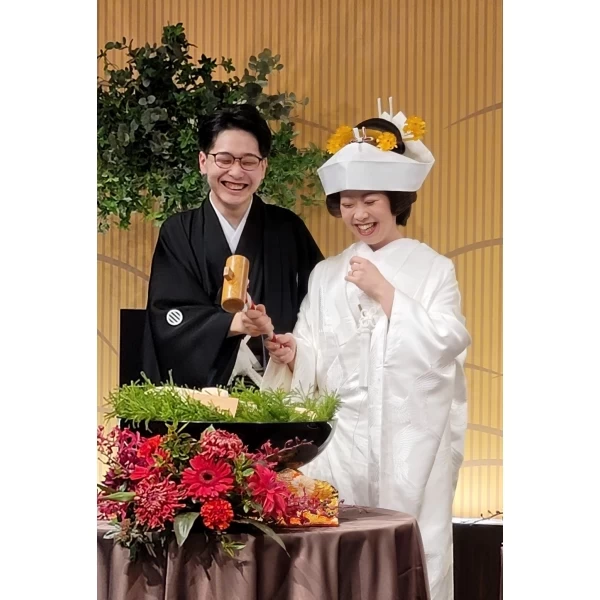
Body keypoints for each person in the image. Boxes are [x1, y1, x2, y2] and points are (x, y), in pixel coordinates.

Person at [261, 98, 471, 600]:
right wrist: (294, 352)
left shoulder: (433, 268)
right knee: (338, 553)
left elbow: (448, 342)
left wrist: (386, 293)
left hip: (409, 438)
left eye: (370, 200)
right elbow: (314, 345)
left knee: (412, 553)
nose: (358, 214)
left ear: (395, 200)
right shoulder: (326, 272)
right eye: (348, 202)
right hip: (343, 439)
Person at [142, 104, 323, 389]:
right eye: (224, 159)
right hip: (203, 397)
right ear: (203, 162)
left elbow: (318, 305)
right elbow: (168, 317)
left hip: (276, 393)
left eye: (249, 161)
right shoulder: (178, 232)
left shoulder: (288, 229)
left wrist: (294, 348)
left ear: (263, 167)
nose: (236, 172)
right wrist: (233, 324)